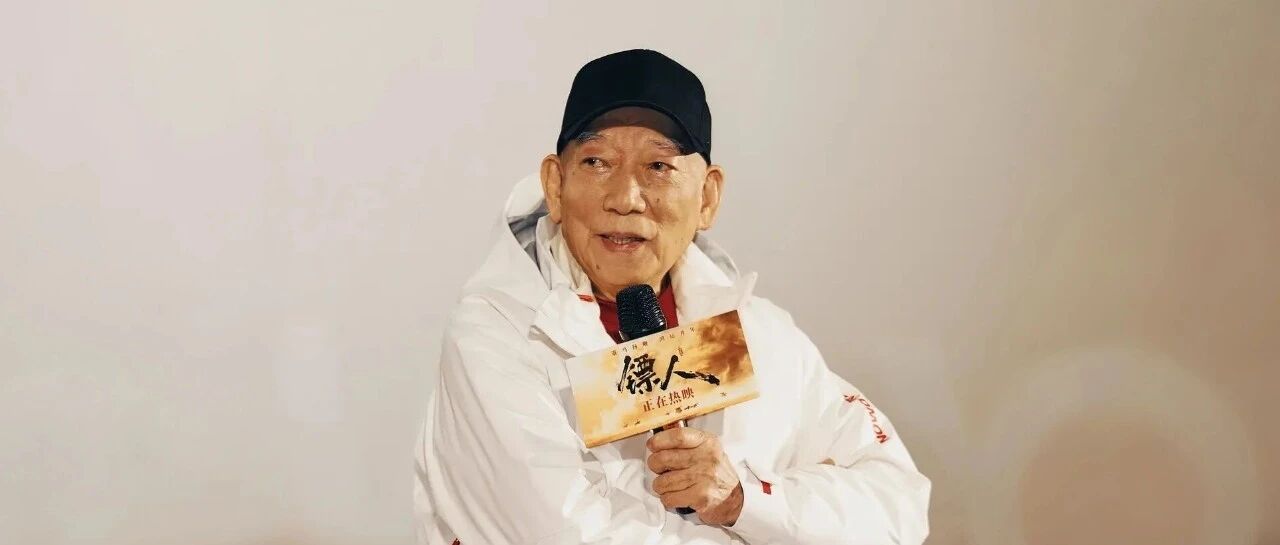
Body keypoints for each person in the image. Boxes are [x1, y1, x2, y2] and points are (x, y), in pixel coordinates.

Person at [413, 49, 930, 545]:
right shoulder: (498, 333)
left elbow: (897, 507)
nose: (625, 198)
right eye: (596, 161)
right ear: (555, 184)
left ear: (707, 196)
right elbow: (561, 535)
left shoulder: (759, 333)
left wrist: (744, 499)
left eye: (658, 166)